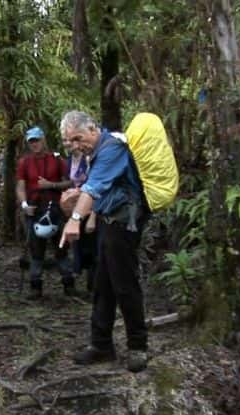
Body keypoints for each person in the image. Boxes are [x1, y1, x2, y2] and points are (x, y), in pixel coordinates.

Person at [58, 110, 150, 372]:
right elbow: (98, 188)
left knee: (124, 284)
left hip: (125, 223)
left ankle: (138, 346)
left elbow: (94, 187)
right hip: (109, 222)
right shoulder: (95, 153)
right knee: (102, 284)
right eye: (70, 141)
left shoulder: (112, 149)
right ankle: (101, 345)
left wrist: (75, 218)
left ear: (93, 129)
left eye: (78, 138)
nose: (76, 145)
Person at [16, 126, 75, 299]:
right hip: (34, 208)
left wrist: (51, 185)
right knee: (35, 249)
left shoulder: (57, 160)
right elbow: (20, 186)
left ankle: (68, 284)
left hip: (56, 208)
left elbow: (70, 182)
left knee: (61, 246)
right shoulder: (24, 162)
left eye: (37, 140)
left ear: (44, 140)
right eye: (31, 141)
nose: (35, 144)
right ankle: (36, 287)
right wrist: (25, 205)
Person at [63, 136, 97, 292]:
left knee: (92, 246)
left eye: (70, 142)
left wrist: (93, 216)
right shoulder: (69, 160)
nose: (68, 145)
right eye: (65, 142)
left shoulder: (89, 159)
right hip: (76, 206)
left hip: (90, 207)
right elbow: (71, 181)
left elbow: (95, 185)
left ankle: (94, 286)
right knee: (79, 244)